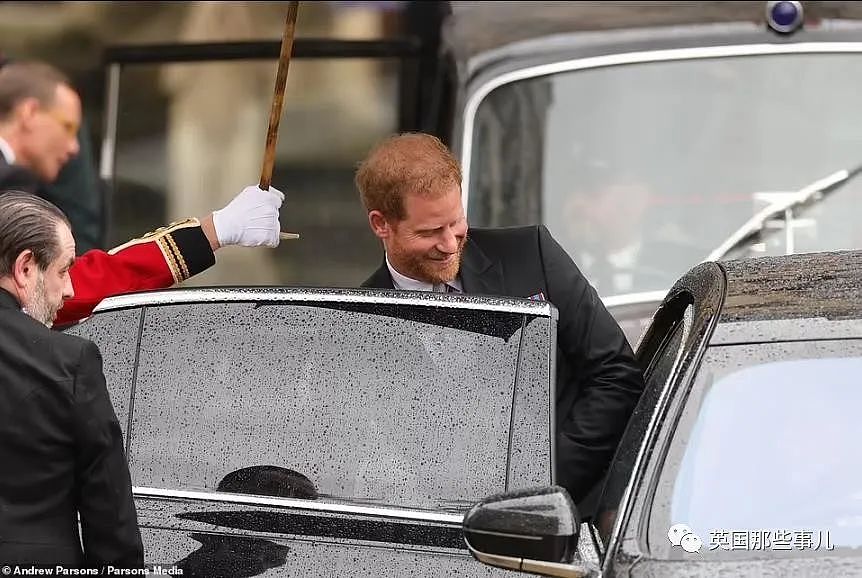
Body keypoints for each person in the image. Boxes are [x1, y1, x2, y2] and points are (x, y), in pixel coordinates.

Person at [356, 132, 646, 505]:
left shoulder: (531, 254)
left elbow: (616, 373)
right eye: (429, 232)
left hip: (570, 514)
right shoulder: (362, 319)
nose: (448, 244)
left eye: (456, 222)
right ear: (381, 224)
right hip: (445, 534)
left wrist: (544, 485)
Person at [0, 60, 286, 326]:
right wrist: (216, 230)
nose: (74, 147)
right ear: (29, 113)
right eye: (68, 127)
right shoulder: (8, 180)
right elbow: (59, 286)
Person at [0, 192, 143, 567]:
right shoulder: (70, 361)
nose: (70, 290)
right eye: (64, 270)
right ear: (25, 267)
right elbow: (110, 518)